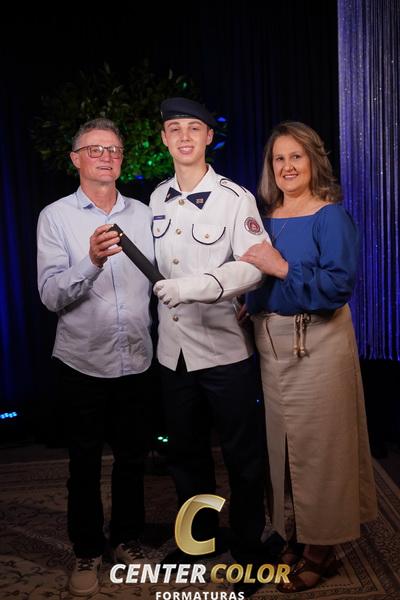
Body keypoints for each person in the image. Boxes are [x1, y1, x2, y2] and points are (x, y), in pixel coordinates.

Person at [238, 121, 378, 593]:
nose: (287, 167)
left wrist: (280, 267)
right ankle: (297, 533)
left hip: (318, 343)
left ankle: (323, 547)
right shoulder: (266, 217)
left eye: (296, 156)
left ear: (314, 161)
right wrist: (252, 299)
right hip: (272, 345)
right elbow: (262, 278)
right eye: (279, 158)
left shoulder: (330, 216)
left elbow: (337, 287)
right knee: (285, 448)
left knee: (322, 449)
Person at [151, 97, 275, 575]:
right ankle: (198, 543)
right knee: (185, 456)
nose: (184, 136)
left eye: (193, 128)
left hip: (224, 351)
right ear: (164, 139)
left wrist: (194, 288)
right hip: (173, 354)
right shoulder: (156, 198)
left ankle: (248, 546)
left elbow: (254, 267)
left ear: (208, 137)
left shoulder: (234, 197)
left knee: (243, 456)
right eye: (174, 128)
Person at [37, 118, 154, 596]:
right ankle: (86, 548)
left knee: (132, 459)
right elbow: (50, 296)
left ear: (122, 158)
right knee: (83, 464)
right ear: (75, 159)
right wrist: (90, 260)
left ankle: (126, 539)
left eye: (113, 149)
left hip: (138, 359)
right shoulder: (55, 217)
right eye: (95, 149)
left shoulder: (144, 214)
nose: (106, 157)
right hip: (81, 361)